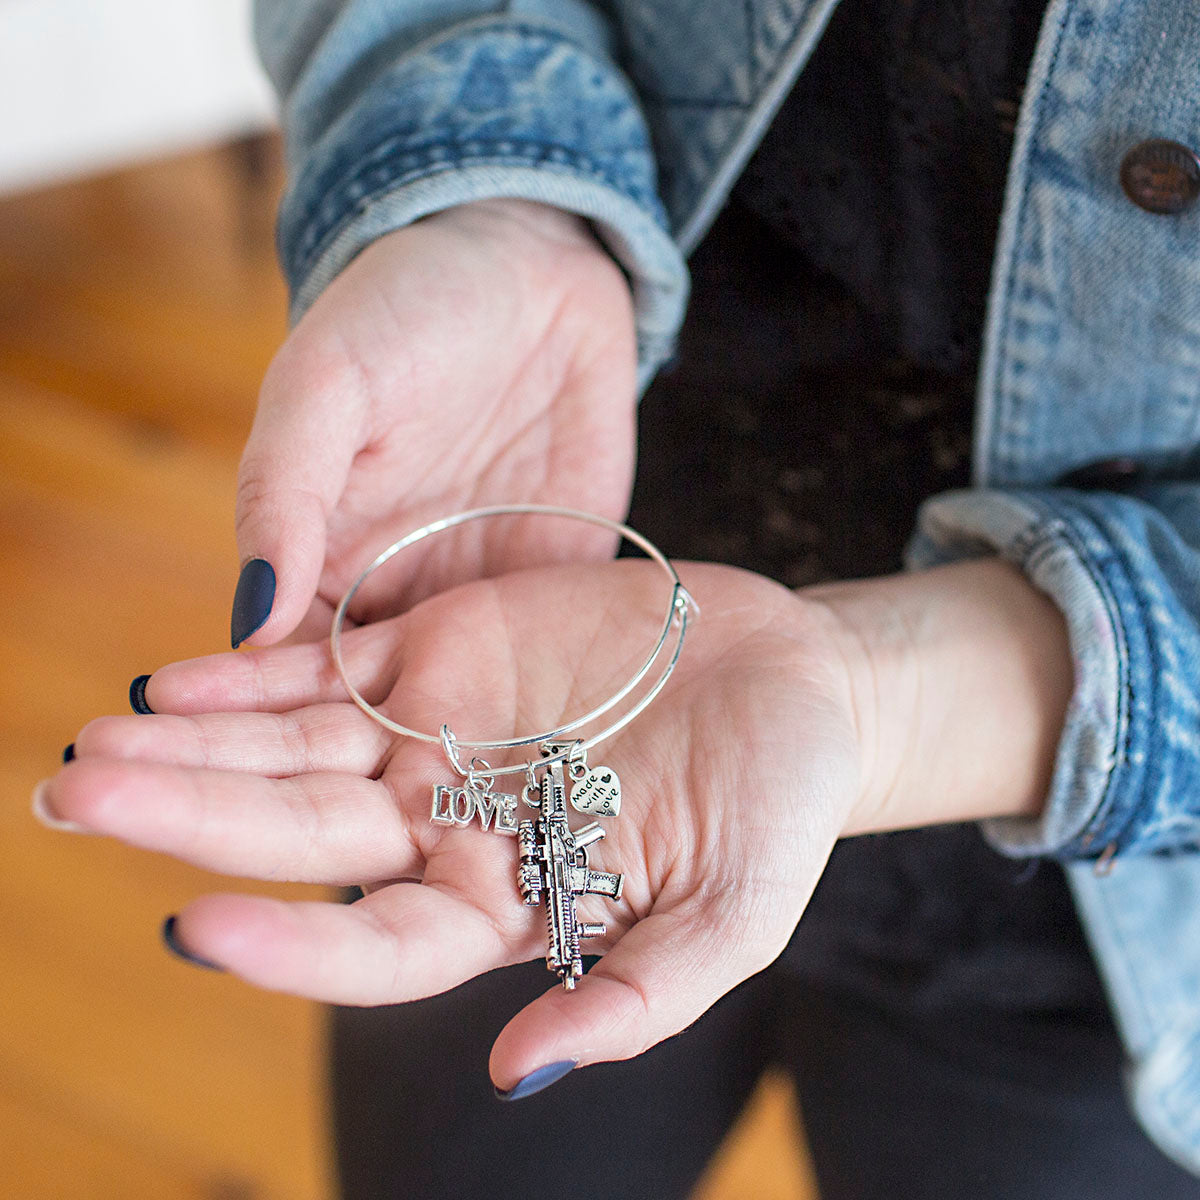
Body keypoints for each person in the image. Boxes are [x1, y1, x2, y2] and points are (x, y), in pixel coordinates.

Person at [39, 1, 1200, 1196]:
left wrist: (872, 697)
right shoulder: (493, 746)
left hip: (1104, 918)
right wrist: (493, 198)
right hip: (524, 638)